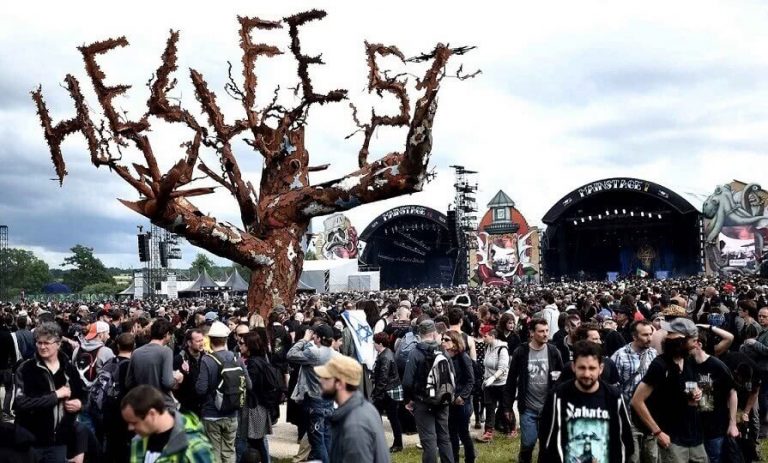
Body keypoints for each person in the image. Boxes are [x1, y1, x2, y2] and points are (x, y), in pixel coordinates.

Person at [538, 341, 634, 463]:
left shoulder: (615, 397)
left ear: (601, 368)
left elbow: (626, 441)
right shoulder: (558, 396)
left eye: (592, 368)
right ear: (573, 367)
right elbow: (546, 439)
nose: (587, 374)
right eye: (582, 368)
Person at [631, 317, 707, 463]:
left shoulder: (689, 359)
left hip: (693, 434)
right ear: (680, 342)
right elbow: (637, 401)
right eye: (693, 341)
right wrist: (658, 432)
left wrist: (696, 391)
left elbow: (690, 382)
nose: (697, 345)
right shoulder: (660, 365)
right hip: (671, 436)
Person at [14, 322, 87, 463]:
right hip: (30, 441)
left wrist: (80, 404)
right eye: (39, 342)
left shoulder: (69, 369)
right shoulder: (25, 369)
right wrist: (55, 395)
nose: (42, 346)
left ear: (58, 344)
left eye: (47, 343)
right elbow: (21, 402)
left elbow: (83, 394)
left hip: (59, 442)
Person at [503, 318, 563, 463]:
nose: (545, 334)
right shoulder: (521, 352)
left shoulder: (553, 351)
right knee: (528, 443)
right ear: (531, 333)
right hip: (528, 408)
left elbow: (562, 377)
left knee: (546, 446)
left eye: (547, 331)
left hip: (548, 408)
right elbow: (511, 381)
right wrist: (507, 406)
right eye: (541, 331)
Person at [314, 353, 389, 462]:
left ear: (340, 383)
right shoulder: (365, 408)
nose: (320, 381)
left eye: (326, 378)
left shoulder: (355, 426)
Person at [196, 320, 250, 463]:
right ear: (226, 339)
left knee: (214, 452)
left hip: (211, 413)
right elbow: (248, 384)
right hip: (232, 413)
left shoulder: (207, 360)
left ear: (210, 340)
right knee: (229, 451)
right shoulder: (236, 358)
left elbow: (201, 389)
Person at [402, 319, 454, 463]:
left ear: (420, 334)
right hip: (442, 399)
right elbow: (452, 374)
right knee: (444, 437)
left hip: (423, 400)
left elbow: (407, 381)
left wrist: (409, 400)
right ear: (434, 333)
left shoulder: (415, 353)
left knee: (428, 440)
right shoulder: (443, 351)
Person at [121, 384, 215, 463]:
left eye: (134, 422)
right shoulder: (138, 442)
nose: (130, 428)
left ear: (152, 414)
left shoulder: (194, 447)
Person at [610, 319, 659, 463]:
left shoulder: (653, 354)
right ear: (634, 336)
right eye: (645, 335)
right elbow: (614, 387)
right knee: (633, 457)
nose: (649, 338)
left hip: (650, 415)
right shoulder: (620, 356)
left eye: (650, 334)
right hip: (629, 416)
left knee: (652, 457)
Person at [287, 323, 336, 463]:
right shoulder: (334, 354)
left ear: (319, 338)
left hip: (315, 402)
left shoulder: (314, 353)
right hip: (329, 401)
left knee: (317, 442)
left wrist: (304, 339)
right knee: (327, 439)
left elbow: (291, 355)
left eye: (315, 336)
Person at [692, 327, 739, 463]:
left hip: (715, 424)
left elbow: (732, 392)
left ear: (699, 344)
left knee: (714, 457)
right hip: (695, 424)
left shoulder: (717, 365)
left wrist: (733, 423)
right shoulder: (687, 364)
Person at [126, 318, 183, 411]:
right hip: (162, 405)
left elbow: (128, 383)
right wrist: (177, 377)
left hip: (142, 404)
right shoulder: (166, 351)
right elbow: (167, 383)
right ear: (167, 334)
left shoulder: (136, 352)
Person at [239, 331, 274, 463]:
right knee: (258, 441)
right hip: (260, 406)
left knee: (255, 441)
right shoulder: (262, 360)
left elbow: (250, 386)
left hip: (255, 406)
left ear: (249, 345)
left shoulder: (253, 363)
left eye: (242, 343)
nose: (239, 346)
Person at [441, 330, 475, 463]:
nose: (443, 342)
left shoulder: (463, 357)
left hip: (462, 402)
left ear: (455, 342)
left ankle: (470, 458)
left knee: (464, 434)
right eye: (443, 339)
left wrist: (463, 396)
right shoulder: (444, 357)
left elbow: (470, 380)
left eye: (447, 339)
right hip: (449, 401)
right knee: (452, 434)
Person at [103, 332, 135, 463]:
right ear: (133, 346)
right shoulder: (131, 366)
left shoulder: (109, 362)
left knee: (111, 445)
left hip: (108, 409)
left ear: (117, 345)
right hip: (123, 411)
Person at [371, 331, 403, 453]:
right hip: (390, 390)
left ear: (379, 343)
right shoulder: (387, 353)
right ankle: (395, 443)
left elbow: (383, 378)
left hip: (388, 391)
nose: (373, 344)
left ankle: (396, 444)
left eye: (374, 342)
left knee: (392, 418)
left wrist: (376, 394)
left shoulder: (385, 357)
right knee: (391, 418)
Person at [476, 326, 510, 442]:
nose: (483, 338)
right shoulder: (487, 346)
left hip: (502, 383)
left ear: (492, 336)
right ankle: (488, 432)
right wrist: (485, 379)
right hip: (489, 383)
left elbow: (503, 367)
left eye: (485, 336)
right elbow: (486, 365)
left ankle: (510, 428)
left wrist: (494, 377)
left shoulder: (502, 349)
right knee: (489, 407)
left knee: (505, 407)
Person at [173, 328, 205, 417]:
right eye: (198, 341)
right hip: (186, 407)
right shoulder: (179, 359)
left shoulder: (206, 357)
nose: (201, 343)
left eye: (202, 340)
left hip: (203, 406)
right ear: (189, 343)